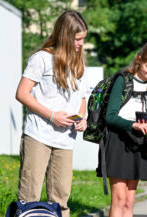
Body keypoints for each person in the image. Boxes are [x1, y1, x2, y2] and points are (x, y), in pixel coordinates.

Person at [15, 11, 88, 217]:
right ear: (65, 36)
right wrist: (51, 115)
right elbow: (21, 93)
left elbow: (81, 98)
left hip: (65, 140)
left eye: (83, 38)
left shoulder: (78, 62)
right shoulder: (42, 59)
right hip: (39, 134)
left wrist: (82, 118)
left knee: (61, 198)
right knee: (30, 196)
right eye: (78, 39)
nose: (81, 43)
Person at [104, 41, 147, 217]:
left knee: (130, 202)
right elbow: (110, 116)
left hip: (139, 142)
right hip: (118, 140)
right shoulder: (123, 80)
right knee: (119, 199)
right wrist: (133, 124)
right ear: (139, 59)